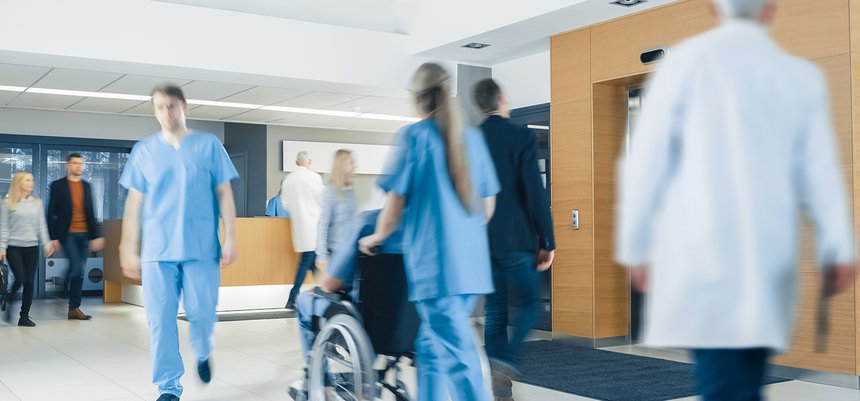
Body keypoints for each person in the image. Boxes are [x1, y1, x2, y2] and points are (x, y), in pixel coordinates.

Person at [616, 1, 855, 400]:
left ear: (715, 9)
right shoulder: (798, 77)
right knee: (742, 374)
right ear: (770, 10)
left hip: (702, 256)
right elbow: (820, 175)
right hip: (768, 258)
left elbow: (645, 166)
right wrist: (837, 249)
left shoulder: (684, 66)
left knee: (727, 379)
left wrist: (637, 248)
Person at [359, 62, 499, 401]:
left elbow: (391, 213)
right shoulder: (472, 139)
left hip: (436, 268)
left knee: (459, 356)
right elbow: (488, 207)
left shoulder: (414, 138)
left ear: (418, 98)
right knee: (430, 347)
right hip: (471, 266)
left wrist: (374, 238)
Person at [119, 84, 239, 401]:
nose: (166, 113)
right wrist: (127, 247)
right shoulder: (144, 150)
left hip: (200, 248)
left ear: (184, 105)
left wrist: (231, 237)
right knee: (160, 321)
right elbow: (134, 204)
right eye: (159, 107)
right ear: (154, 110)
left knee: (200, 314)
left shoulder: (209, 145)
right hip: (158, 250)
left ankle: (202, 349)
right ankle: (169, 387)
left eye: (172, 106)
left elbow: (224, 193)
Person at [473, 78, 555, 401]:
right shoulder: (520, 136)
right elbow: (534, 192)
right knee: (531, 306)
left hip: (483, 241)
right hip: (519, 239)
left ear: (480, 106)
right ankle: (505, 364)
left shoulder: (472, 139)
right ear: (502, 99)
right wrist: (547, 240)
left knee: (495, 313)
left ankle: (501, 388)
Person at [289, 209, 403, 400]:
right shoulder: (425, 226)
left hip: (365, 324)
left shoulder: (367, 221)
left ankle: (320, 384)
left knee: (305, 301)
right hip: (406, 330)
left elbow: (329, 284)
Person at [46, 153, 105, 320]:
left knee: (79, 270)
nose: (79, 166)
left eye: (81, 163)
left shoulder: (86, 186)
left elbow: (91, 212)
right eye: (75, 163)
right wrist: (53, 237)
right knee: (78, 266)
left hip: (84, 233)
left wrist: (95, 236)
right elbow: (51, 212)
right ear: (68, 165)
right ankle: (62, 287)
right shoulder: (58, 185)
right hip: (67, 233)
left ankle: (74, 308)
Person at [1, 172, 54, 327]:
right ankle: (9, 300)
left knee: (29, 282)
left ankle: (24, 316)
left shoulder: (37, 203)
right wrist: (1, 247)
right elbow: (3, 228)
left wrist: (47, 243)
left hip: (32, 247)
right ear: (19, 183)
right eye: (28, 180)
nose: (32, 183)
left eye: (33, 180)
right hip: (13, 247)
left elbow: (41, 225)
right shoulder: (7, 203)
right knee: (21, 278)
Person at [282, 151, 324, 309]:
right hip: (315, 225)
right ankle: (293, 297)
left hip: (300, 226)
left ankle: (322, 292)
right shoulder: (314, 177)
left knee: (312, 260)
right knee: (308, 260)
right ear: (309, 161)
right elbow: (323, 199)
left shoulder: (288, 180)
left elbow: (285, 204)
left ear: (296, 162)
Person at [315, 149, 358, 270]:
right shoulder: (330, 190)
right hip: (335, 251)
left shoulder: (350, 190)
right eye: (351, 162)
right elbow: (323, 224)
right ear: (342, 164)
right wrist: (321, 256)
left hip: (349, 250)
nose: (355, 166)